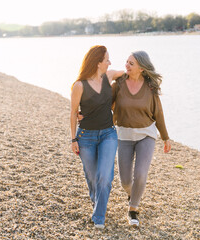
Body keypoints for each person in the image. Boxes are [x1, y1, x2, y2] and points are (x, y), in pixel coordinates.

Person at [112, 50, 172, 227]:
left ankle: (133, 209)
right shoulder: (119, 84)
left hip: (146, 135)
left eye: (131, 63)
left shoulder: (150, 87)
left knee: (140, 174)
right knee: (125, 181)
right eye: (126, 62)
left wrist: (165, 137)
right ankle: (132, 194)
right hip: (123, 135)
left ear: (141, 68)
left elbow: (158, 113)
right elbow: (105, 105)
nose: (127, 66)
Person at [70, 45, 123, 229]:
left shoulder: (108, 77)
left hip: (108, 133)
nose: (109, 63)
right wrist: (73, 139)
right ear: (98, 62)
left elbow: (127, 73)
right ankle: (96, 203)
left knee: (105, 177)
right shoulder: (79, 85)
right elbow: (73, 112)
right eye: (107, 60)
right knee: (92, 177)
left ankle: (99, 217)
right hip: (85, 138)